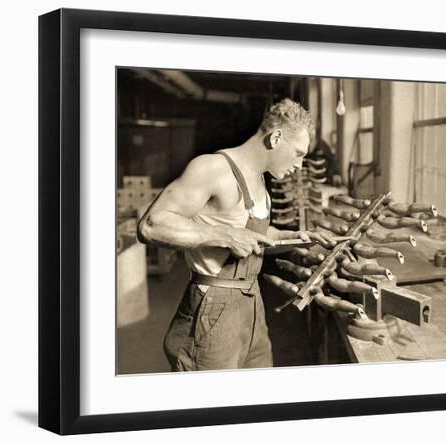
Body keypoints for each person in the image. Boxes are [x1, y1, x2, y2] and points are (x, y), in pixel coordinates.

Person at [138, 98, 335, 371]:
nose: (300, 165)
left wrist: (298, 236)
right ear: (276, 137)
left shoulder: (260, 179)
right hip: (213, 308)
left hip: (252, 303)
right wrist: (226, 235)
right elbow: (151, 225)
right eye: (298, 153)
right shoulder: (212, 168)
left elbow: (257, 236)